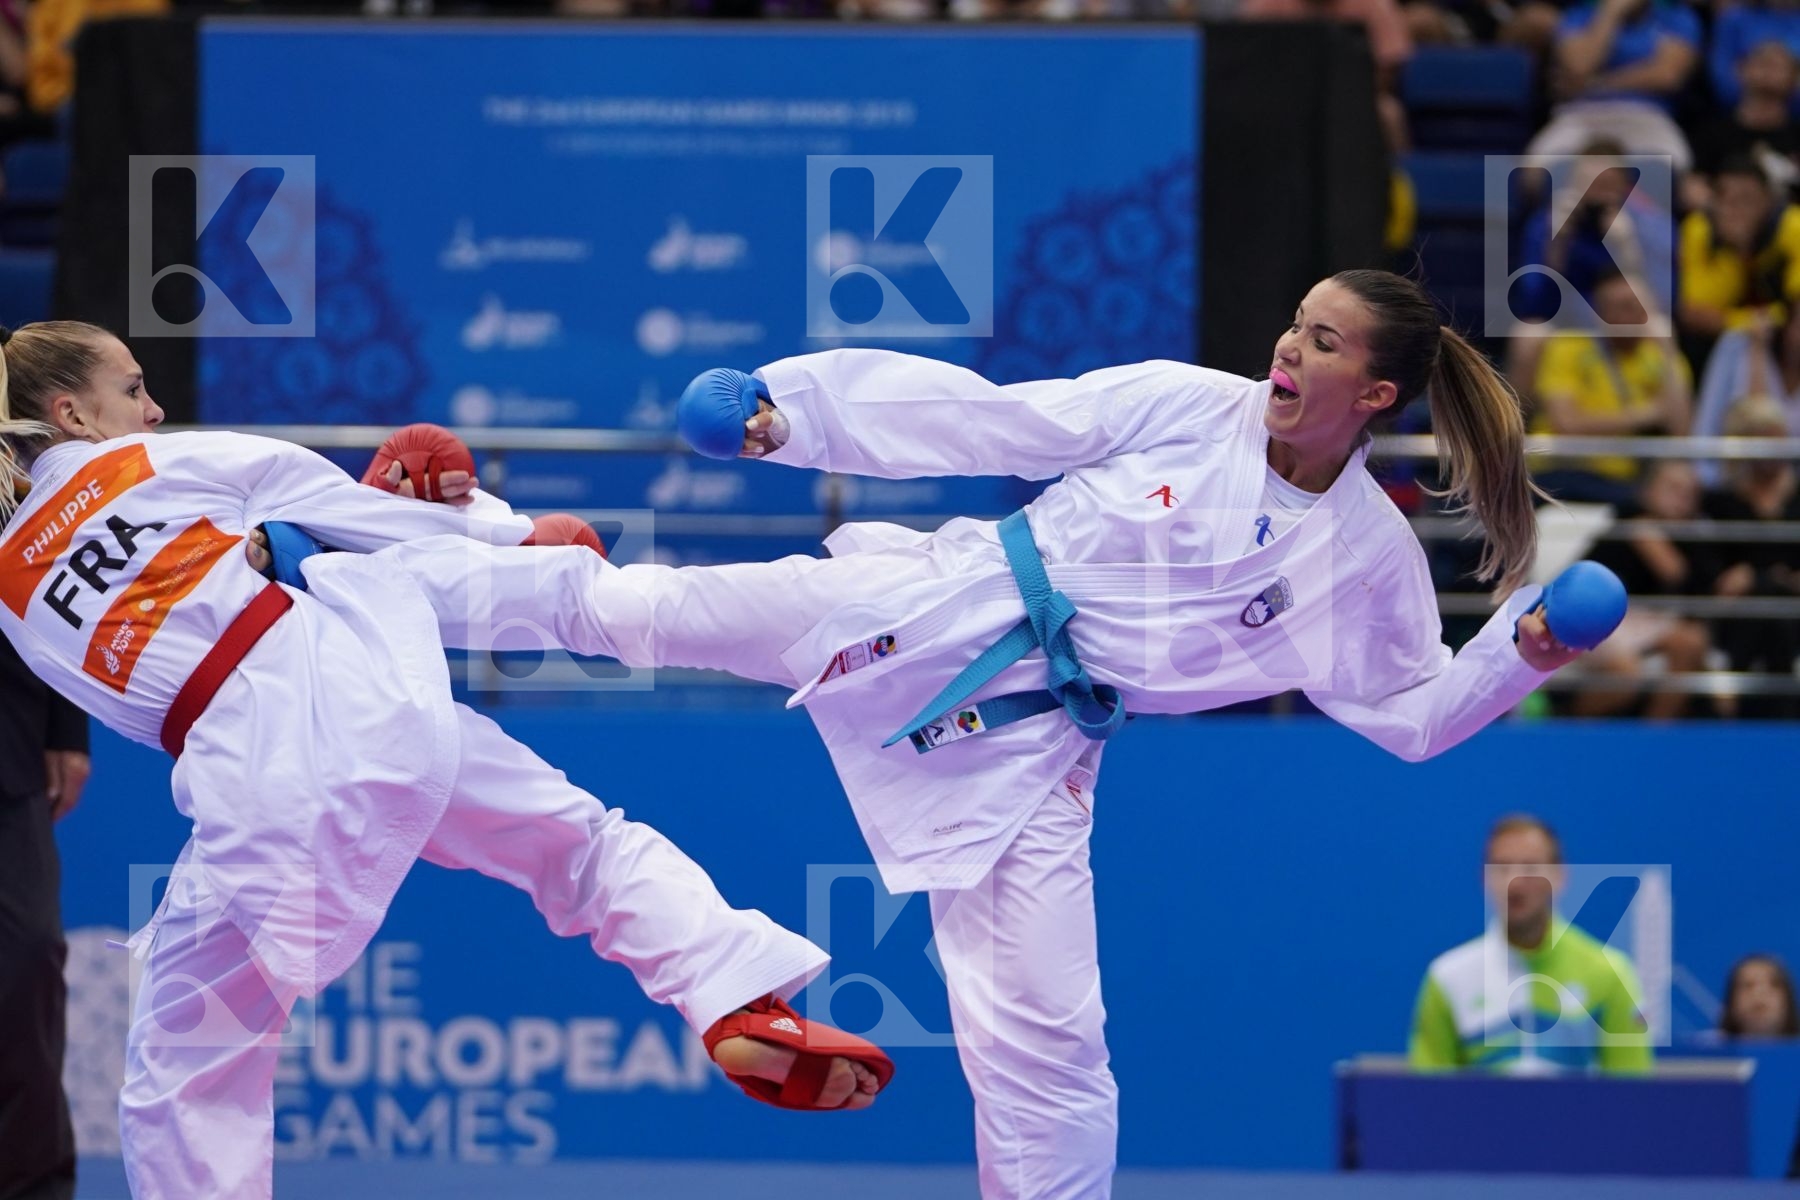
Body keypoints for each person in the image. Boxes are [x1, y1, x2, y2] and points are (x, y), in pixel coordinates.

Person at [369, 269, 1594, 1199]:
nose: (1287, 345)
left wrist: (1522, 653)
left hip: (1038, 744)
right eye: (1295, 321)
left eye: (1323, 341)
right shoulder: (1191, 407)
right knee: (640, 611)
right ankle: (373, 574)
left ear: (1373, 395)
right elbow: (993, 422)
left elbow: (1414, 714)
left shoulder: (1367, 561)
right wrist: (792, 419)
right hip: (942, 600)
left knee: (1050, 1041)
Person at [0, 321, 892, 1200]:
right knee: (582, 848)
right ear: (72, 414)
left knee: (188, 1063)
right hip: (375, 706)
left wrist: (277, 561)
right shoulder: (158, 463)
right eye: (133, 390)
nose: (154, 410)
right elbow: (370, 522)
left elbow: (140, 695)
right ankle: (735, 996)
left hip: (250, 791)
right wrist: (506, 533)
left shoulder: (11, 592)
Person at [1409, 814, 1653, 1073]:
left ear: (1559, 876)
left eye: (1530, 867)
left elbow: (1631, 1088)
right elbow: (1428, 1092)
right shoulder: (1448, 978)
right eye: (1502, 867)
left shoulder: (1611, 973)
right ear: (1484, 878)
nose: (1515, 883)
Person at [0, 626, 87, 1200]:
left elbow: (43, 575)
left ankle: (33, 1190)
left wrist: (67, 723)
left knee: (26, 960)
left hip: (10, 735)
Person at [1531, 268, 1692, 507]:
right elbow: (1566, 424)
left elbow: (1681, 431)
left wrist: (1669, 350)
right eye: (1620, 307)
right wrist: (1646, 414)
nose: (1629, 315)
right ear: (1599, 313)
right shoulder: (1569, 347)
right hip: (1564, 471)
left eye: (1637, 306)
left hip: (1627, 482)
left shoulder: (1661, 356)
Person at [1581, 460, 1722, 718]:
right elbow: (1583, 582)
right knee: (1627, 674)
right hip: (1605, 618)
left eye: (1690, 493)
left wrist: (1668, 559)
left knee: (1691, 642)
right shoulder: (1624, 523)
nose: (1683, 499)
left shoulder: (1695, 540)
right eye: (1673, 488)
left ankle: (1656, 732)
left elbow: (1694, 587)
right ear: (1648, 490)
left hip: (1654, 620)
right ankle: (1571, 725)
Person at [1530, 0, 1700, 169]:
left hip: (1646, 113)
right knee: (1536, 169)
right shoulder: (1578, 15)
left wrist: (1595, 84)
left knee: (1673, 165)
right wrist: (1610, 14)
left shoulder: (1675, 17)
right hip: (1580, 114)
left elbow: (1667, 76)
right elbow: (1580, 68)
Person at [1720, 954, 1800, 1038]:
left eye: (1774, 984)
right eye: (1748, 985)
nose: (1759, 993)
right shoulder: (1714, 1044)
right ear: (1732, 1000)